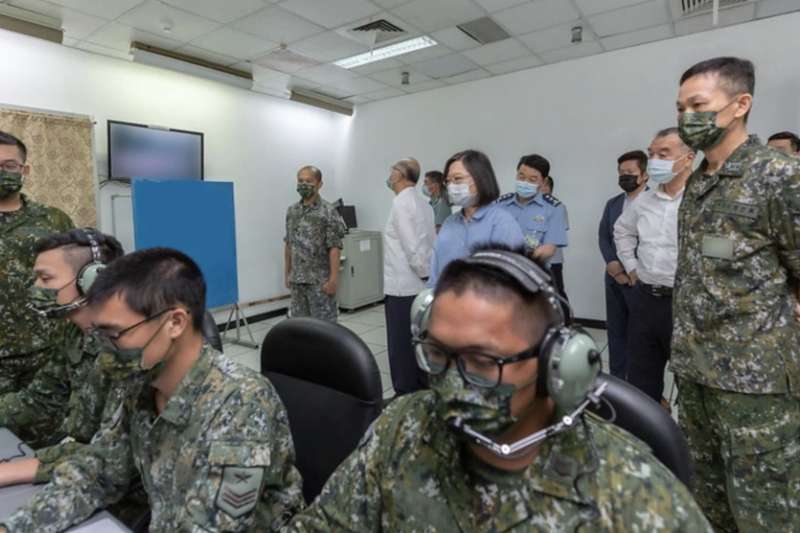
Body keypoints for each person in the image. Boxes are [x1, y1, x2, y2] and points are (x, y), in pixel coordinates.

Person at [284, 246, 712, 532]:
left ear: (556, 366)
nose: (450, 383)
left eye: (483, 362)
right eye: (438, 353)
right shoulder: (403, 426)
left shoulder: (637, 498)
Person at [0, 248, 304, 533]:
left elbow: (210, 527)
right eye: (98, 333)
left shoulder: (241, 405)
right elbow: (98, 472)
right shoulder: (138, 380)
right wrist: (15, 527)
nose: (103, 349)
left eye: (114, 334)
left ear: (175, 323)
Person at [673, 56, 800, 531]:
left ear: (739, 104)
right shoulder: (699, 181)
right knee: (710, 501)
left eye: (698, 104)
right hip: (695, 372)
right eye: (680, 107)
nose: (686, 117)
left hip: (755, 387)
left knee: (765, 511)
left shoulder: (779, 175)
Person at [0, 228, 123, 466]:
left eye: (45, 279)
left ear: (92, 280)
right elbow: (39, 400)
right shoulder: (73, 331)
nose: (35, 287)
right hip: (78, 465)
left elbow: (111, 448)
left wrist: (24, 468)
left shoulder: (125, 345)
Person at [613, 129, 694, 404]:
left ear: (688, 158)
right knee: (641, 379)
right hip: (645, 300)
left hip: (684, 303)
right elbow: (621, 231)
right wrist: (632, 266)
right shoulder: (644, 200)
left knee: (691, 381)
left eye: (664, 154)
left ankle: (685, 442)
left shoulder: (700, 199)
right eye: (651, 154)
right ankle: (647, 439)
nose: (655, 160)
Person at [0, 130, 73, 396]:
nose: (2, 172)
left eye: (9, 165)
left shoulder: (53, 221)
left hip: (47, 353)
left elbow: (75, 278)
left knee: (48, 432)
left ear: (24, 169)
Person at [428, 150, 524, 285]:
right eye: (448, 181)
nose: (451, 186)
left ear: (480, 179)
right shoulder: (449, 223)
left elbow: (513, 281)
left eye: (458, 179)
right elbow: (435, 274)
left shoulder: (502, 223)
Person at [383, 158, 436, 395]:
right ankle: (421, 387)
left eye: (393, 169)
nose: (389, 173)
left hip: (402, 287)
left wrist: (424, 274)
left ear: (402, 175)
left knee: (400, 344)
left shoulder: (401, 203)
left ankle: (404, 394)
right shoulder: (424, 203)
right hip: (420, 286)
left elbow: (412, 247)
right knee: (418, 341)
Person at [597, 150, 648, 379]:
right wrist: (613, 264)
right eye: (621, 173)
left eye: (630, 172)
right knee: (616, 332)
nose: (624, 176)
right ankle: (617, 380)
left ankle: (640, 383)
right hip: (614, 277)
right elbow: (604, 237)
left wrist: (632, 270)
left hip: (642, 280)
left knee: (641, 336)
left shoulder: (655, 202)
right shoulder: (613, 204)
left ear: (644, 175)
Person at [284, 165, 345, 322]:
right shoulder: (292, 211)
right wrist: (288, 273)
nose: (304, 184)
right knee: (300, 327)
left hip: (320, 283)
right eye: (300, 181)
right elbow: (289, 244)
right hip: (298, 282)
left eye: (309, 181)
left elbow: (334, 247)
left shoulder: (328, 211)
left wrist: (333, 279)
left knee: (325, 329)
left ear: (319, 184)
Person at [498, 155, 567, 265]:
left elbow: (549, 249)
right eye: (521, 176)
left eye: (532, 179)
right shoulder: (500, 204)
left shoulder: (554, 208)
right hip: (499, 272)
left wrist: (519, 264)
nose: (525, 182)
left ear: (543, 182)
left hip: (532, 272)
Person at [540, 175, 570, 306]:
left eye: (544, 185)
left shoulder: (558, 207)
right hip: (533, 260)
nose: (540, 188)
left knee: (557, 294)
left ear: (549, 188)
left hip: (552, 260)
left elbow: (558, 232)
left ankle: (566, 323)